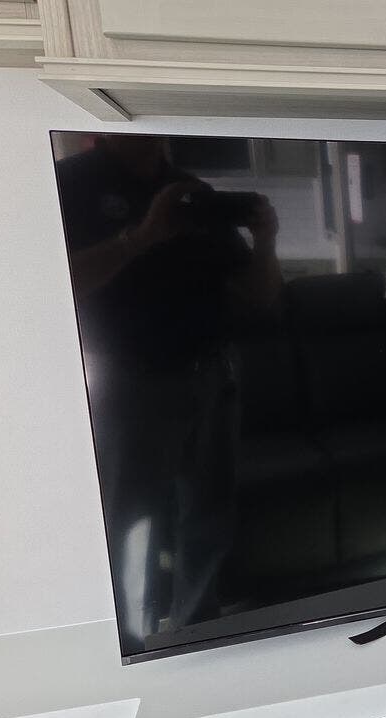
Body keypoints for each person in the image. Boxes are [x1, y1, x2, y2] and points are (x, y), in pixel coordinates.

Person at [55, 134, 282, 653]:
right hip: (131, 385)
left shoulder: (191, 192)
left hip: (212, 378)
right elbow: (53, 283)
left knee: (209, 518)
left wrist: (266, 241)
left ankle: (196, 634)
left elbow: (259, 297)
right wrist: (141, 237)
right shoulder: (71, 184)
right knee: (131, 526)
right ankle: (128, 646)